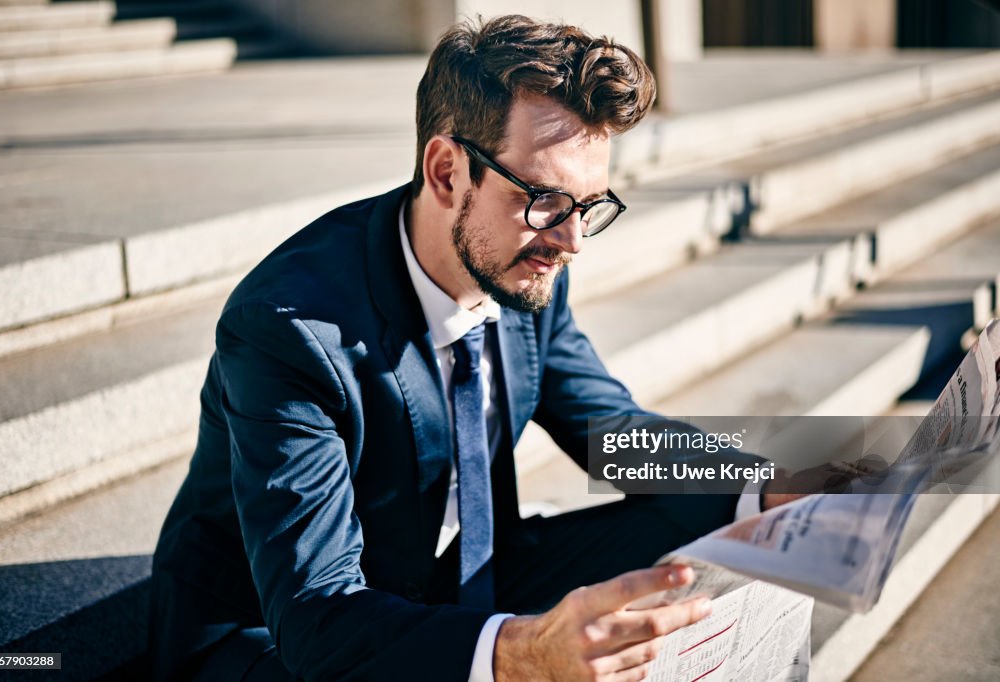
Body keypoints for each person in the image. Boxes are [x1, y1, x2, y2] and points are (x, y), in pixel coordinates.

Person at [148, 14, 792, 682]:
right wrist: (520, 653)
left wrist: (768, 483)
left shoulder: (524, 270)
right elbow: (316, 613)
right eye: (544, 200)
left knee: (717, 511)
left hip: (458, 576)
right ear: (448, 171)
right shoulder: (288, 331)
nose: (571, 242)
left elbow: (613, 434)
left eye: (590, 206)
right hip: (275, 639)